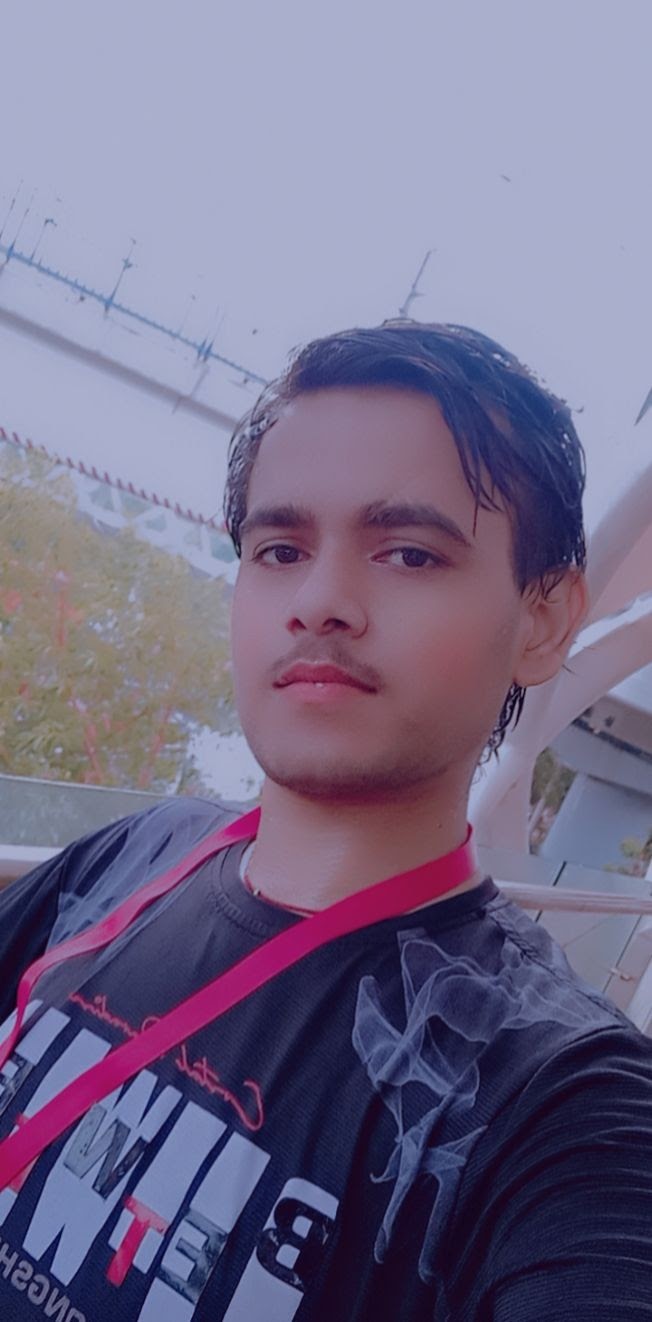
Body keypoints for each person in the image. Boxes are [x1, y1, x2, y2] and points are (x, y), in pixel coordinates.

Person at [0, 320, 650, 1322]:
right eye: (279, 548)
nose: (318, 600)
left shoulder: (557, 1100)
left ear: (543, 618)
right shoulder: (129, 859)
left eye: (409, 553)